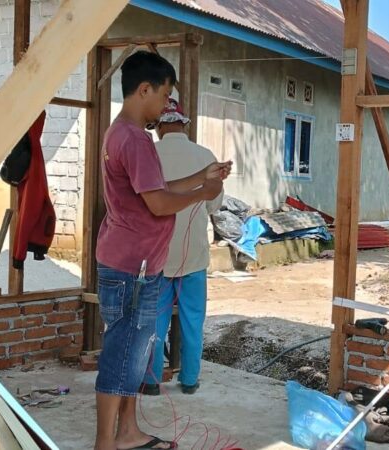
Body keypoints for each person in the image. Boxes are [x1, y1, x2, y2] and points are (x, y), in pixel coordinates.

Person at [93, 51, 231, 450]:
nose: (166, 104)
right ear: (144, 89)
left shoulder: (123, 133)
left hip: (134, 260)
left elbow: (158, 189)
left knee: (135, 354)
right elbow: (159, 204)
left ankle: (128, 431)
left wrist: (200, 177)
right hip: (130, 265)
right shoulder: (134, 139)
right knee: (122, 354)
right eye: (165, 95)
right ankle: (106, 441)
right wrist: (203, 192)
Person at [140, 98, 224, 396]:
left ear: (158, 126)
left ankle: (150, 380)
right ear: (183, 123)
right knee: (192, 321)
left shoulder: (148, 154)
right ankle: (189, 381)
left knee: (154, 321)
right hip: (194, 256)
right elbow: (215, 205)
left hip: (156, 254)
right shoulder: (205, 157)